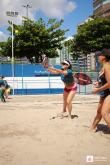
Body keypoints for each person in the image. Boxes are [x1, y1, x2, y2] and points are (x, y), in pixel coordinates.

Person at [91, 49, 110, 131]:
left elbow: (109, 83)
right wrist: (98, 84)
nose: (97, 57)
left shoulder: (107, 67)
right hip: (104, 93)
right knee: (99, 112)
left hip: (108, 93)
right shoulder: (104, 67)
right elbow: (104, 81)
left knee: (104, 113)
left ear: (103, 57)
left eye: (99, 55)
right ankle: (92, 128)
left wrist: (97, 90)